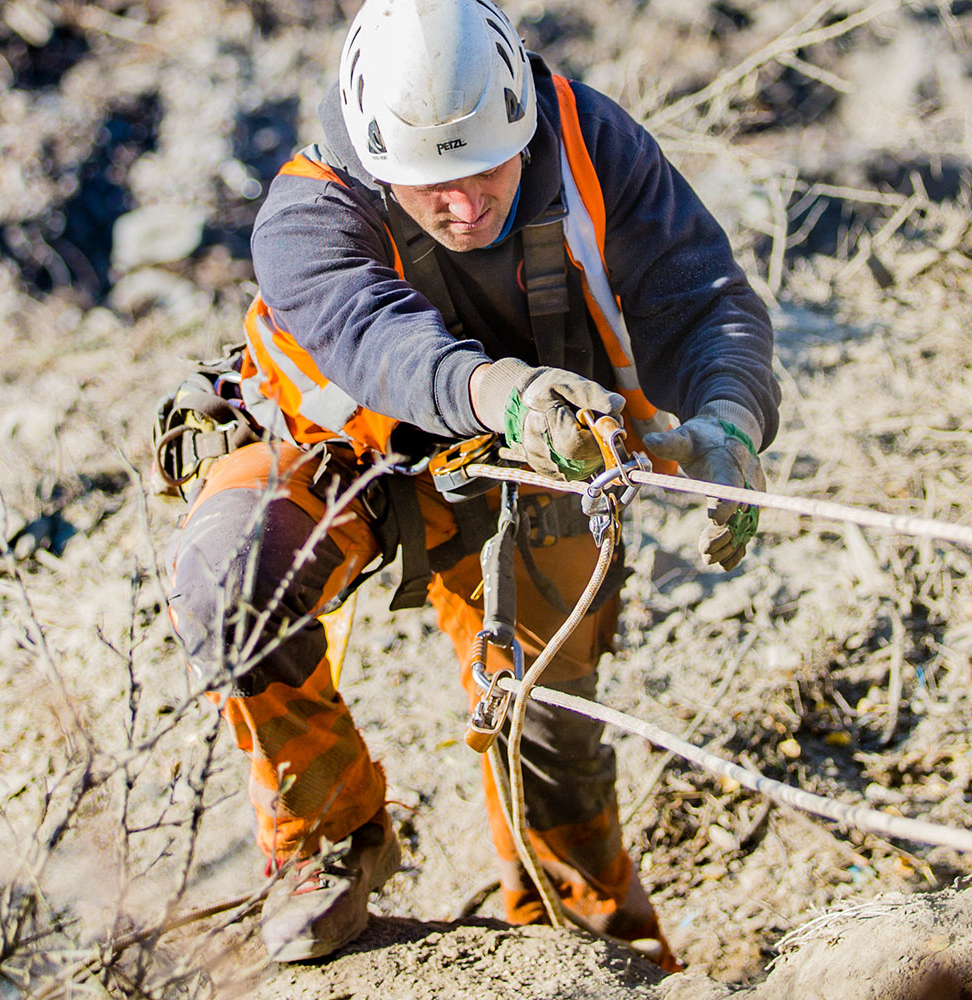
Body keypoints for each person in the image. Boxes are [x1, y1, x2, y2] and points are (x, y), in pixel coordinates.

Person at [163, 0, 779, 967]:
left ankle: (588, 938)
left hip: (531, 462)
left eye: (482, 170)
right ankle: (330, 844)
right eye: (427, 185)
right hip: (341, 451)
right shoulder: (308, 211)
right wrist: (501, 390)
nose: (462, 206)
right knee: (229, 579)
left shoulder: (590, 143)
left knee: (547, 722)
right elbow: (375, 339)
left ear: (521, 124)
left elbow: (701, 298)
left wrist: (728, 420)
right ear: (376, 163)